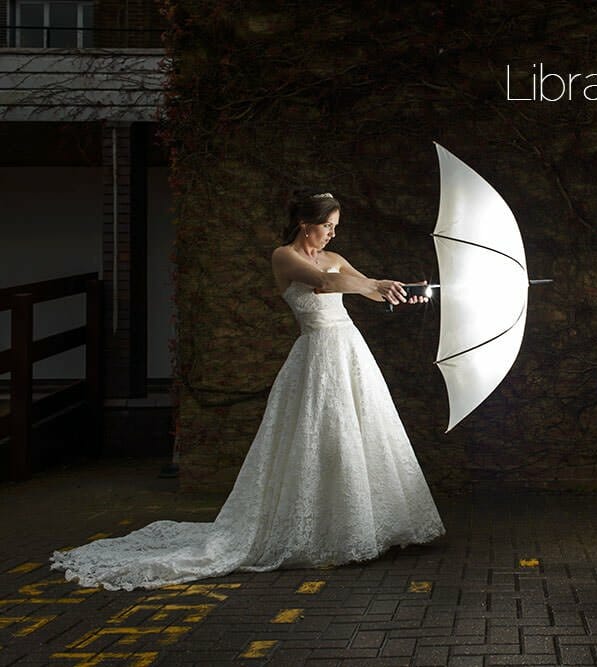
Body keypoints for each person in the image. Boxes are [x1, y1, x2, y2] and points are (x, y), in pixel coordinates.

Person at [52, 190, 445, 590]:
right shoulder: (284, 256)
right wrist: (370, 283)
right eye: (327, 226)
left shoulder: (335, 259)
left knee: (358, 435)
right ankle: (320, 532)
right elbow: (325, 286)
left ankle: (363, 526)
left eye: (335, 228)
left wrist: (395, 288)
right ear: (305, 224)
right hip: (316, 355)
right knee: (316, 437)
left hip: (350, 352)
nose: (331, 234)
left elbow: (363, 285)